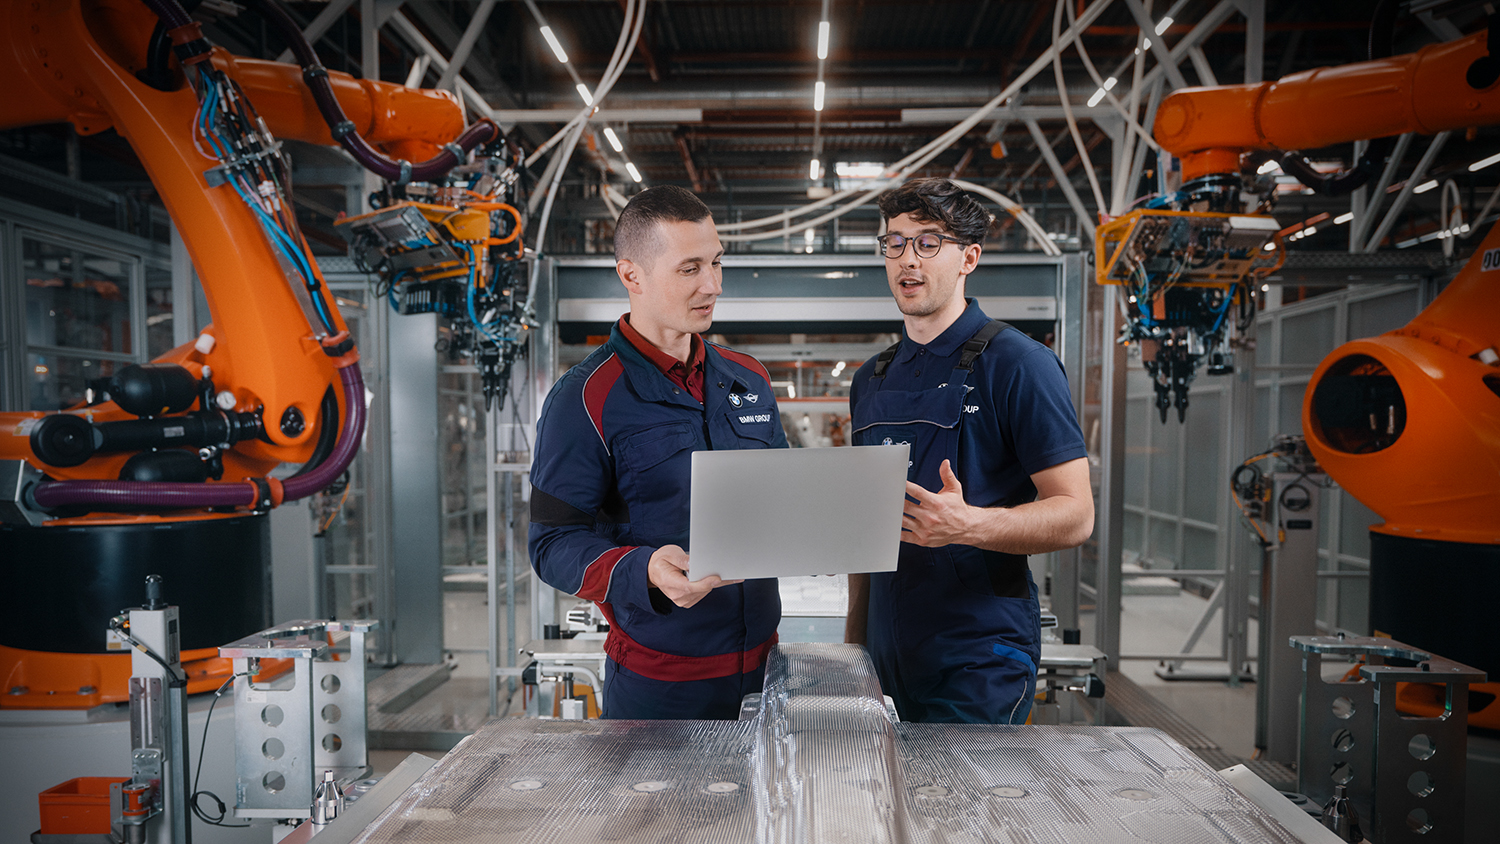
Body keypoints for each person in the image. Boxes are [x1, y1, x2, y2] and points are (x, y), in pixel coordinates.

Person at [528, 185, 787, 720]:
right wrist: (641, 568)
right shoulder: (586, 398)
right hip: (659, 689)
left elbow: (781, 496)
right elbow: (551, 544)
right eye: (689, 268)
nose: (712, 285)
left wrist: (818, 533)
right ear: (632, 276)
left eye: (716, 263)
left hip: (768, 673)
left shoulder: (750, 379)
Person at [844, 178, 1093, 725]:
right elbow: (864, 534)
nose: (908, 260)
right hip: (885, 655)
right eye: (896, 242)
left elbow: (1075, 514)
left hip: (978, 656)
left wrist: (969, 525)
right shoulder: (871, 379)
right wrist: (853, 649)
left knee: (960, 810)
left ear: (969, 258)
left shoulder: (1018, 364)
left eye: (929, 242)